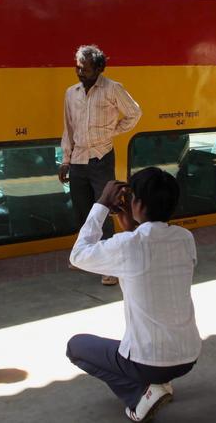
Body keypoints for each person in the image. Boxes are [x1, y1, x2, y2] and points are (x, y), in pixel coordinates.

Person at [66, 168, 199, 422]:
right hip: (188, 356)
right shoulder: (186, 238)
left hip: (148, 361)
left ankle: (140, 396)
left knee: (76, 346)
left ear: (136, 203)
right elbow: (149, 257)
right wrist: (131, 226)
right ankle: (160, 383)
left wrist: (102, 203)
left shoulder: (129, 246)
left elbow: (78, 255)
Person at [59, 45, 142, 286]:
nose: (78, 71)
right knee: (83, 211)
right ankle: (85, 256)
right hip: (78, 159)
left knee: (104, 210)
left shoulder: (112, 89)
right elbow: (68, 128)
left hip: (101, 157)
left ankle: (110, 268)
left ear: (98, 68)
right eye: (77, 66)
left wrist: (112, 131)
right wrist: (65, 160)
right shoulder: (71, 93)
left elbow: (134, 114)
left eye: (83, 68)